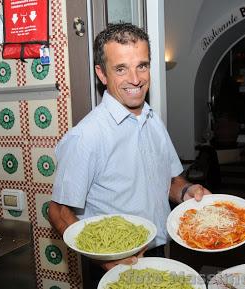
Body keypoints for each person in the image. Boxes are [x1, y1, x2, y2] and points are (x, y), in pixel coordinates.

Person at [48, 22, 211, 287]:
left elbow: (169, 181)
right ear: (101, 74)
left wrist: (188, 192)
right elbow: (57, 210)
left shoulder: (152, 119)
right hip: (113, 264)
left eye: (142, 66)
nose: (135, 79)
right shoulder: (87, 136)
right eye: (121, 69)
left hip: (158, 253)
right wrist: (103, 259)